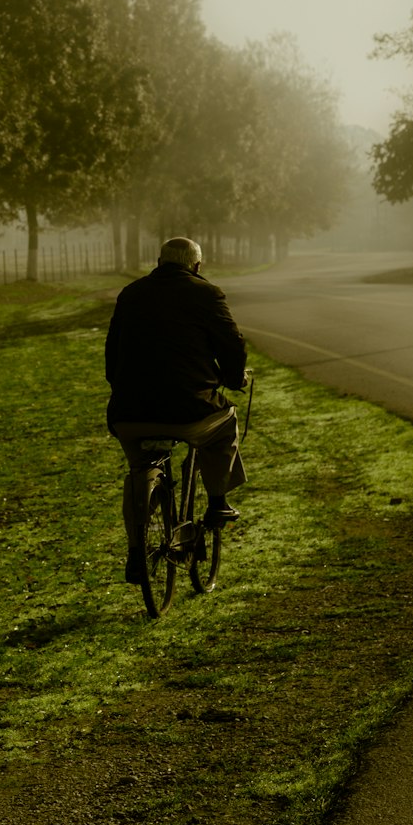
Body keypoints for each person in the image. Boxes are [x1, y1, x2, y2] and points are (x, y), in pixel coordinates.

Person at [105, 236, 249, 584]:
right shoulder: (207, 293)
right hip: (189, 412)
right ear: (196, 266)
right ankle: (217, 502)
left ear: (159, 261)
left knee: (140, 467)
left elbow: (112, 355)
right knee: (226, 425)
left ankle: (138, 550)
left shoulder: (130, 294)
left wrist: (123, 388)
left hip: (129, 415)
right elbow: (232, 344)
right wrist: (233, 379)